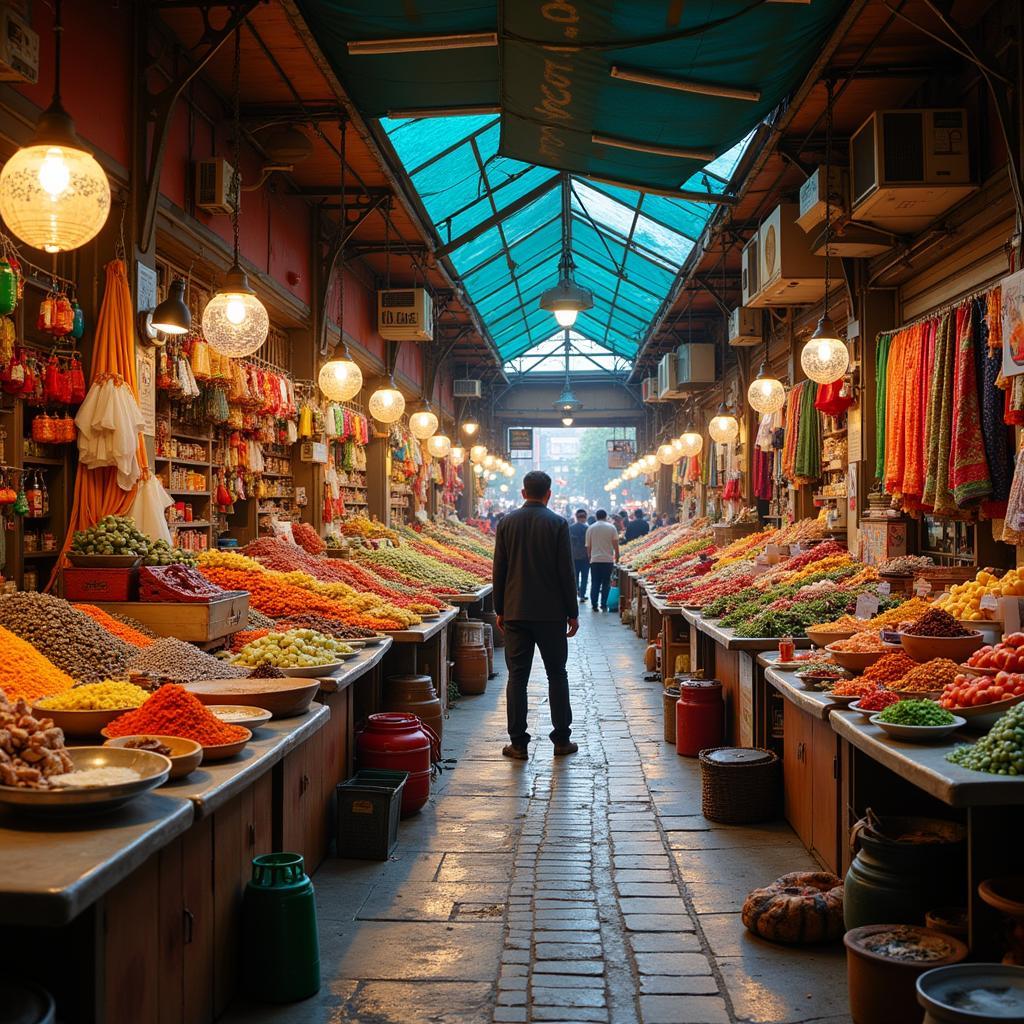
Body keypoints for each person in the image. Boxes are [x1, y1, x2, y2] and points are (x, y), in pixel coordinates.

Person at [493, 470, 579, 760]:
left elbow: (499, 570)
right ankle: (561, 740)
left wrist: (500, 609)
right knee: (557, 674)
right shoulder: (557, 523)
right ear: (549, 494)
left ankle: (518, 744)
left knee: (517, 677)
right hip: (551, 614)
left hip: (516, 611)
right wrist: (572, 611)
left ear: (523, 492)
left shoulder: (506, 523)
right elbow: (566, 572)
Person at [586, 509, 619, 612]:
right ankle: (603, 604)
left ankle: (594, 604)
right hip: (608, 560)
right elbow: (615, 544)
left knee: (595, 582)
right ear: (606, 516)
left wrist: (589, 557)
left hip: (595, 560)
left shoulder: (590, 528)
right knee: (606, 583)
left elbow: (588, 546)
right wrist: (617, 556)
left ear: (596, 517)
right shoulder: (611, 528)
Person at [568, 508, 590, 603]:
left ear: (576, 517)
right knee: (584, 577)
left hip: (574, 557)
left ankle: (575, 593)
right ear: (585, 517)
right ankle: (582, 595)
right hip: (585, 557)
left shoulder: (570, 528)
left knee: (575, 577)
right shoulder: (587, 528)